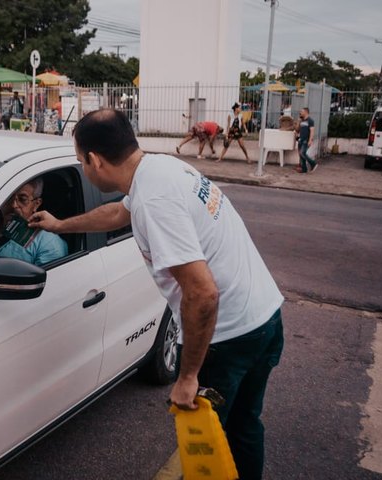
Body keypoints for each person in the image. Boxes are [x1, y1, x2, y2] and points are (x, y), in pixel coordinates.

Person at [29, 109, 284, 480]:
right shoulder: (159, 169)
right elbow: (119, 213)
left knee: (204, 445)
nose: (82, 168)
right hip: (265, 319)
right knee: (244, 426)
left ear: (95, 160)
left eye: (80, 161)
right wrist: (61, 225)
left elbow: (202, 293)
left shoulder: (154, 200)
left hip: (227, 340)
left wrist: (188, 376)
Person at [0, 178, 68, 266]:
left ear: (36, 204)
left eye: (22, 199)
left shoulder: (49, 244)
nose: (13, 205)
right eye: (8, 197)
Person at [296, 107, 318, 173]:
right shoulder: (302, 120)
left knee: (302, 153)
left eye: (302, 111)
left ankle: (313, 163)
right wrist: (298, 122)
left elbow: (312, 131)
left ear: (306, 112)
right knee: (300, 154)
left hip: (306, 140)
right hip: (301, 139)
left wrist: (310, 140)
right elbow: (297, 130)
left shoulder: (310, 121)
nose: (300, 113)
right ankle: (304, 169)